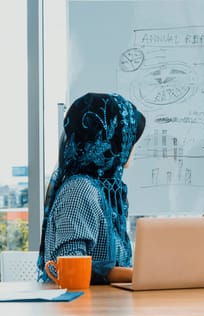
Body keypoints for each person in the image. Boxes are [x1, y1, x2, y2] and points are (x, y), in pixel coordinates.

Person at [37, 92, 146, 284]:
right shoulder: (80, 190)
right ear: (112, 141)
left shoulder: (105, 190)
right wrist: (137, 275)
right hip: (82, 309)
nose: (133, 147)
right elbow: (71, 268)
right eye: (129, 139)